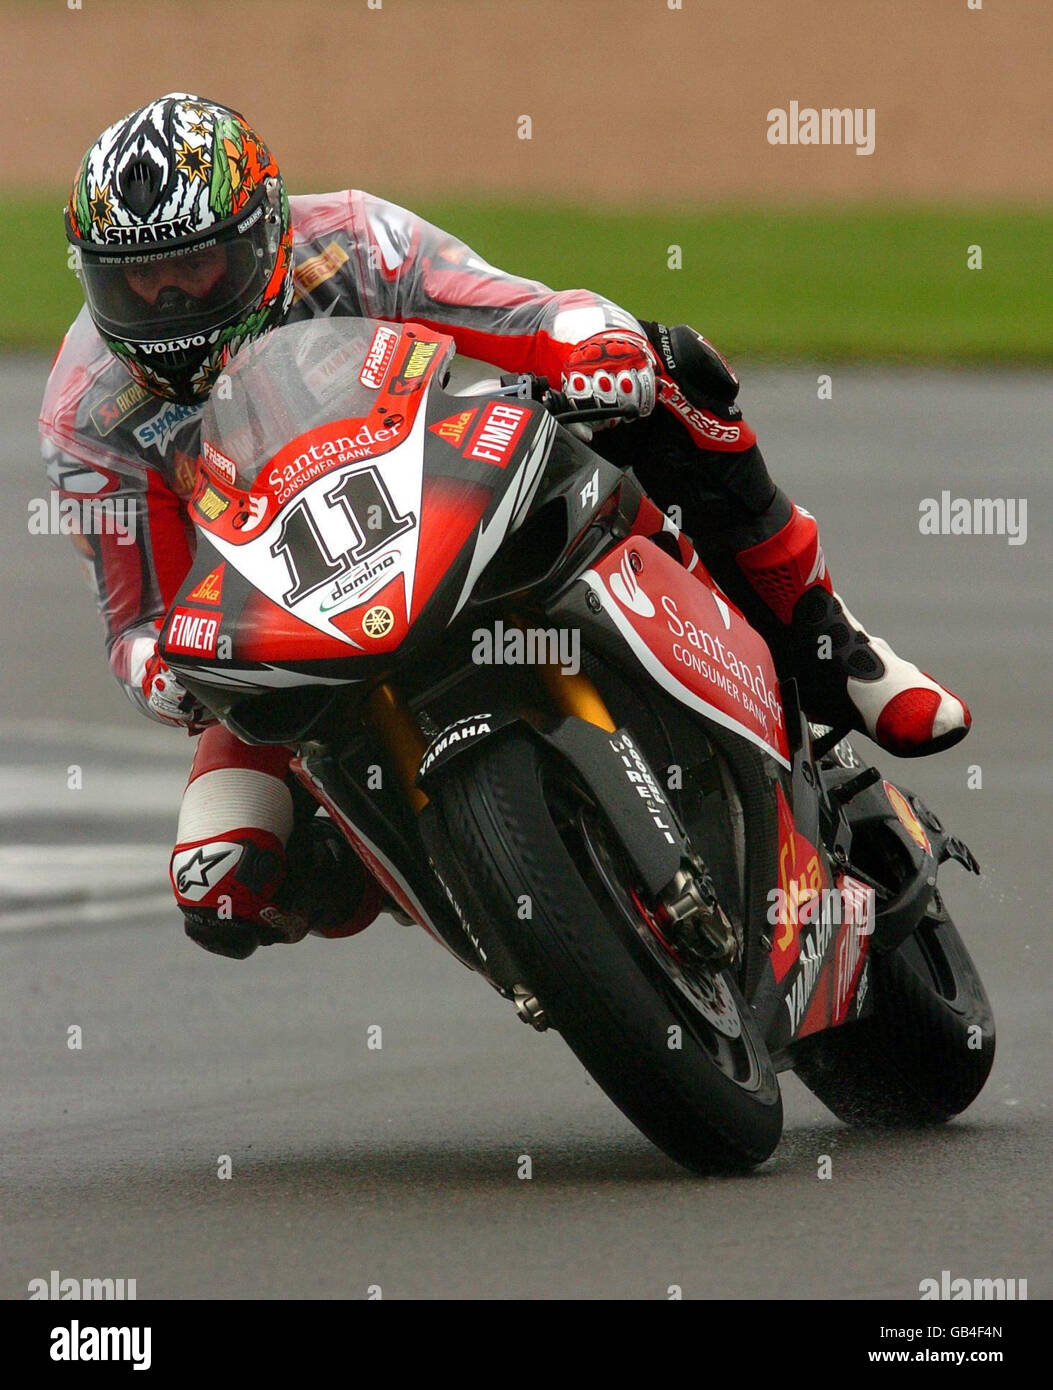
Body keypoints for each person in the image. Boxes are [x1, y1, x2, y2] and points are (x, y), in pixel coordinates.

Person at [41, 93, 970, 960]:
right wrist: (162, 675)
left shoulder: (354, 244)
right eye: (137, 283)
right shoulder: (90, 415)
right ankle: (444, 870)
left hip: (439, 497)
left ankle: (828, 645)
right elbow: (140, 620)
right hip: (291, 618)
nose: (169, 307)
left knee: (669, 370)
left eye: (192, 268)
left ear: (264, 233)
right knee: (219, 886)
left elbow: (518, 310)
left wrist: (589, 344)